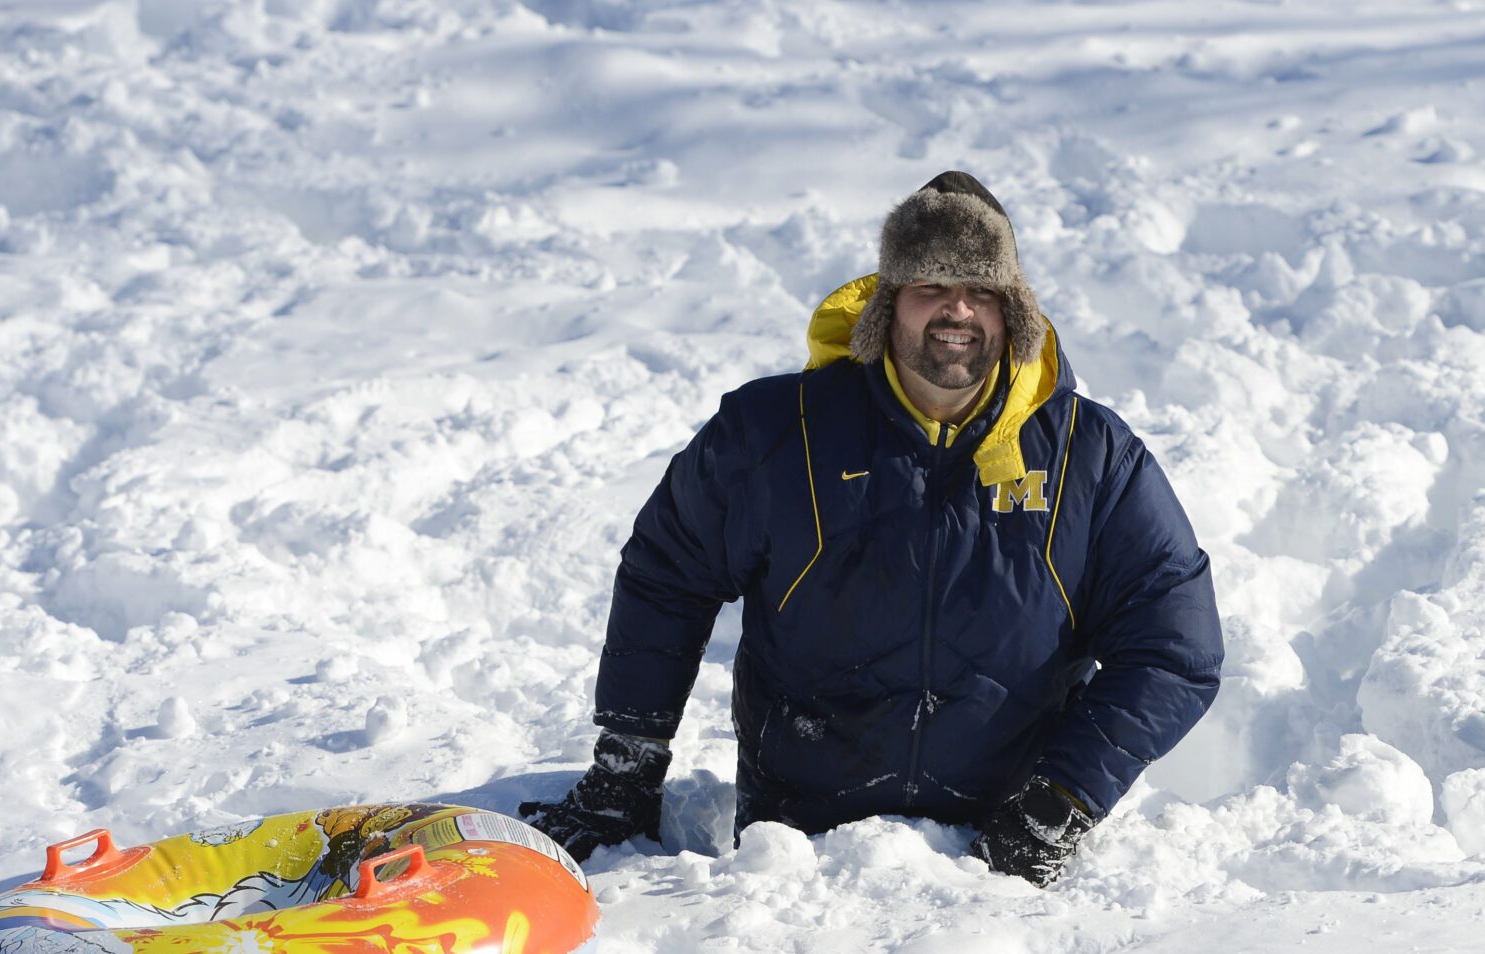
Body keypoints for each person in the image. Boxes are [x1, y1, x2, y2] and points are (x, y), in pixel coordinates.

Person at [521, 171, 1223, 886]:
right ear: (887, 307)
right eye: (930, 285)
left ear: (1014, 313)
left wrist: (1061, 801)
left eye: (981, 289)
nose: (957, 308)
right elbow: (668, 572)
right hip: (794, 860)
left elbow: (1176, 647)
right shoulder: (776, 432)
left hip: (1000, 859)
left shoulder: (1091, 456)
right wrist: (628, 760)